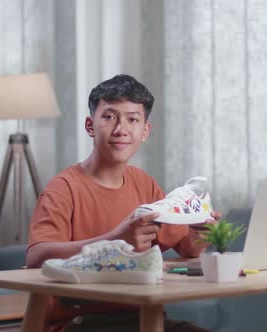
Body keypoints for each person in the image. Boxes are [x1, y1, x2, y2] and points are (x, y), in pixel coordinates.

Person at [26, 74, 219, 332]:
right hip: (80, 322)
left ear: (145, 131)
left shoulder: (145, 184)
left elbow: (190, 250)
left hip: (142, 317)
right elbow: (36, 258)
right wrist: (116, 240)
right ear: (90, 125)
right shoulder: (63, 188)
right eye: (109, 117)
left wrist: (201, 231)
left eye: (132, 119)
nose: (121, 129)